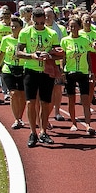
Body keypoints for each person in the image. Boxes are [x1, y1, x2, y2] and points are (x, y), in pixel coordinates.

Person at [17, 9, 62, 148]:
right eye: (36, 23)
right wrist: (32, 55)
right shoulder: (25, 32)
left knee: (45, 102)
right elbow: (18, 52)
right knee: (31, 102)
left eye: (42, 23)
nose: (39, 25)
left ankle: (43, 131)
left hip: (46, 71)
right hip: (30, 70)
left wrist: (49, 56)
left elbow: (59, 53)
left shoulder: (52, 33)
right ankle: (33, 132)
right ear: (32, 19)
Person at [60, 16, 96, 136]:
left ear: (79, 27)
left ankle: (88, 124)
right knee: (71, 99)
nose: (73, 28)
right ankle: (74, 123)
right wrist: (62, 72)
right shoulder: (65, 41)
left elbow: (88, 57)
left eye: (75, 26)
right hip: (69, 72)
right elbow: (62, 58)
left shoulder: (84, 40)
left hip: (83, 72)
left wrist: (91, 71)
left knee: (85, 99)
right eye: (71, 26)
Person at [0, 17, 27, 129]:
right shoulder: (6, 39)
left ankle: (20, 116)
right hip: (8, 69)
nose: (13, 28)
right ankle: (16, 119)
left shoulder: (25, 39)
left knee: (22, 95)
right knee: (13, 94)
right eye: (12, 26)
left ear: (21, 28)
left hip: (23, 68)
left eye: (16, 27)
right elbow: (1, 53)